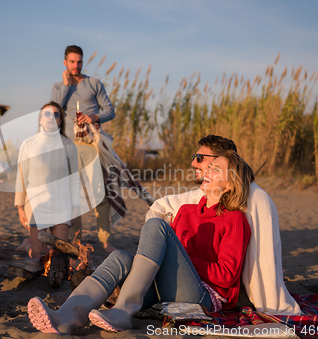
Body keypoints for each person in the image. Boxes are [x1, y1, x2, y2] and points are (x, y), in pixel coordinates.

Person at [27, 150, 254, 334]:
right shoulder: (185, 211)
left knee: (157, 226)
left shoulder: (233, 219)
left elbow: (226, 275)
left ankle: (123, 311)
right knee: (119, 258)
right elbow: (165, 257)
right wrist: (171, 257)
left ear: (230, 184)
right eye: (208, 167)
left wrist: (178, 257)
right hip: (165, 288)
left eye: (216, 169)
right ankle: (67, 316)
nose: (207, 171)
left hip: (202, 297)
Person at [146, 135, 301, 315]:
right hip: (191, 279)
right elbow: (161, 206)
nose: (194, 164)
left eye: (200, 159)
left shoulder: (255, 200)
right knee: (122, 259)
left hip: (223, 291)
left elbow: (261, 264)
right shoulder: (195, 201)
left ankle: (130, 300)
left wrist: (178, 259)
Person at [51, 45, 117, 252]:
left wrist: (96, 117)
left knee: (101, 194)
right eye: (71, 61)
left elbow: (110, 110)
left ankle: (105, 241)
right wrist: (64, 86)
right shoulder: (58, 87)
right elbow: (53, 112)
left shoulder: (93, 83)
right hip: (69, 147)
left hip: (92, 145)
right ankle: (76, 240)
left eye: (79, 61)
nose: (76, 65)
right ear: (65, 62)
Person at [15, 101, 79, 260]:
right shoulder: (28, 145)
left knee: (59, 255)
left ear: (60, 120)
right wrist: (20, 207)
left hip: (61, 207)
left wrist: (76, 207)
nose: (51, 117)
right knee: (39, 256)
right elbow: (21, 177)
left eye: (56, 114)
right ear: (40, 119)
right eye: (47, 114)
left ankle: (29, 244)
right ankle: (27, 246)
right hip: (36, 205)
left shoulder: (69, 146)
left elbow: (74, 180)